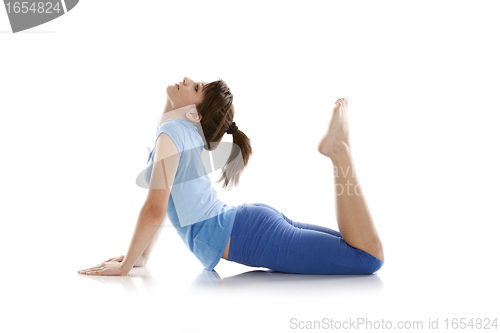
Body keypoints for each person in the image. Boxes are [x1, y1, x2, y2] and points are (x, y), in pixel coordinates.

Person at [78, 77, 384, 276]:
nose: (187, 80)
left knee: (367, 258)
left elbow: (156, 208)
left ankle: (340, 150)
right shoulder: (177, 132)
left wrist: (126, 267)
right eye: (197, 84)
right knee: (358, 251)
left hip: (250, 233)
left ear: (195, 114)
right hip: (250, 226)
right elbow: (164, 205)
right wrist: (140, 256)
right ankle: (339, 148)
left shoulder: (173, 135)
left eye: (196, 88)